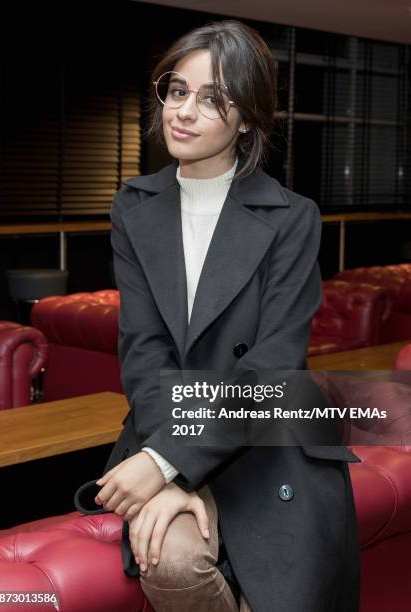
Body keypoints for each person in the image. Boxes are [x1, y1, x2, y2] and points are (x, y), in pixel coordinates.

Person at [74, 19, 362, 612]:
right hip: (165, 422)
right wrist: (169, 461)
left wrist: (168, 462)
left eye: (213, 99)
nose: (184, 112)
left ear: (248, 118)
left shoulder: (292, 217)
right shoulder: (134, 207)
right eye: (178, 90)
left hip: (269, 436)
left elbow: (273, 365)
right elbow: (145, 350)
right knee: (172, 559)